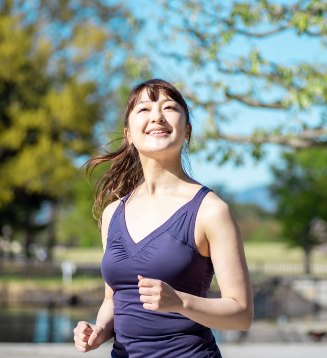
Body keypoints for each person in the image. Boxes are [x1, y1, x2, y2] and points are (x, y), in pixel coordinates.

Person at [73, 79, 253, 357]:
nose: (157, 116)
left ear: (187, 131)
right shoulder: (113, 214)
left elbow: (241, 314)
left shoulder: (211, 210)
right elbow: (114, 300)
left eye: (169, 107)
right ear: (129, 134)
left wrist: (180, 302)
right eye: (144, 109)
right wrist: (99, 330)